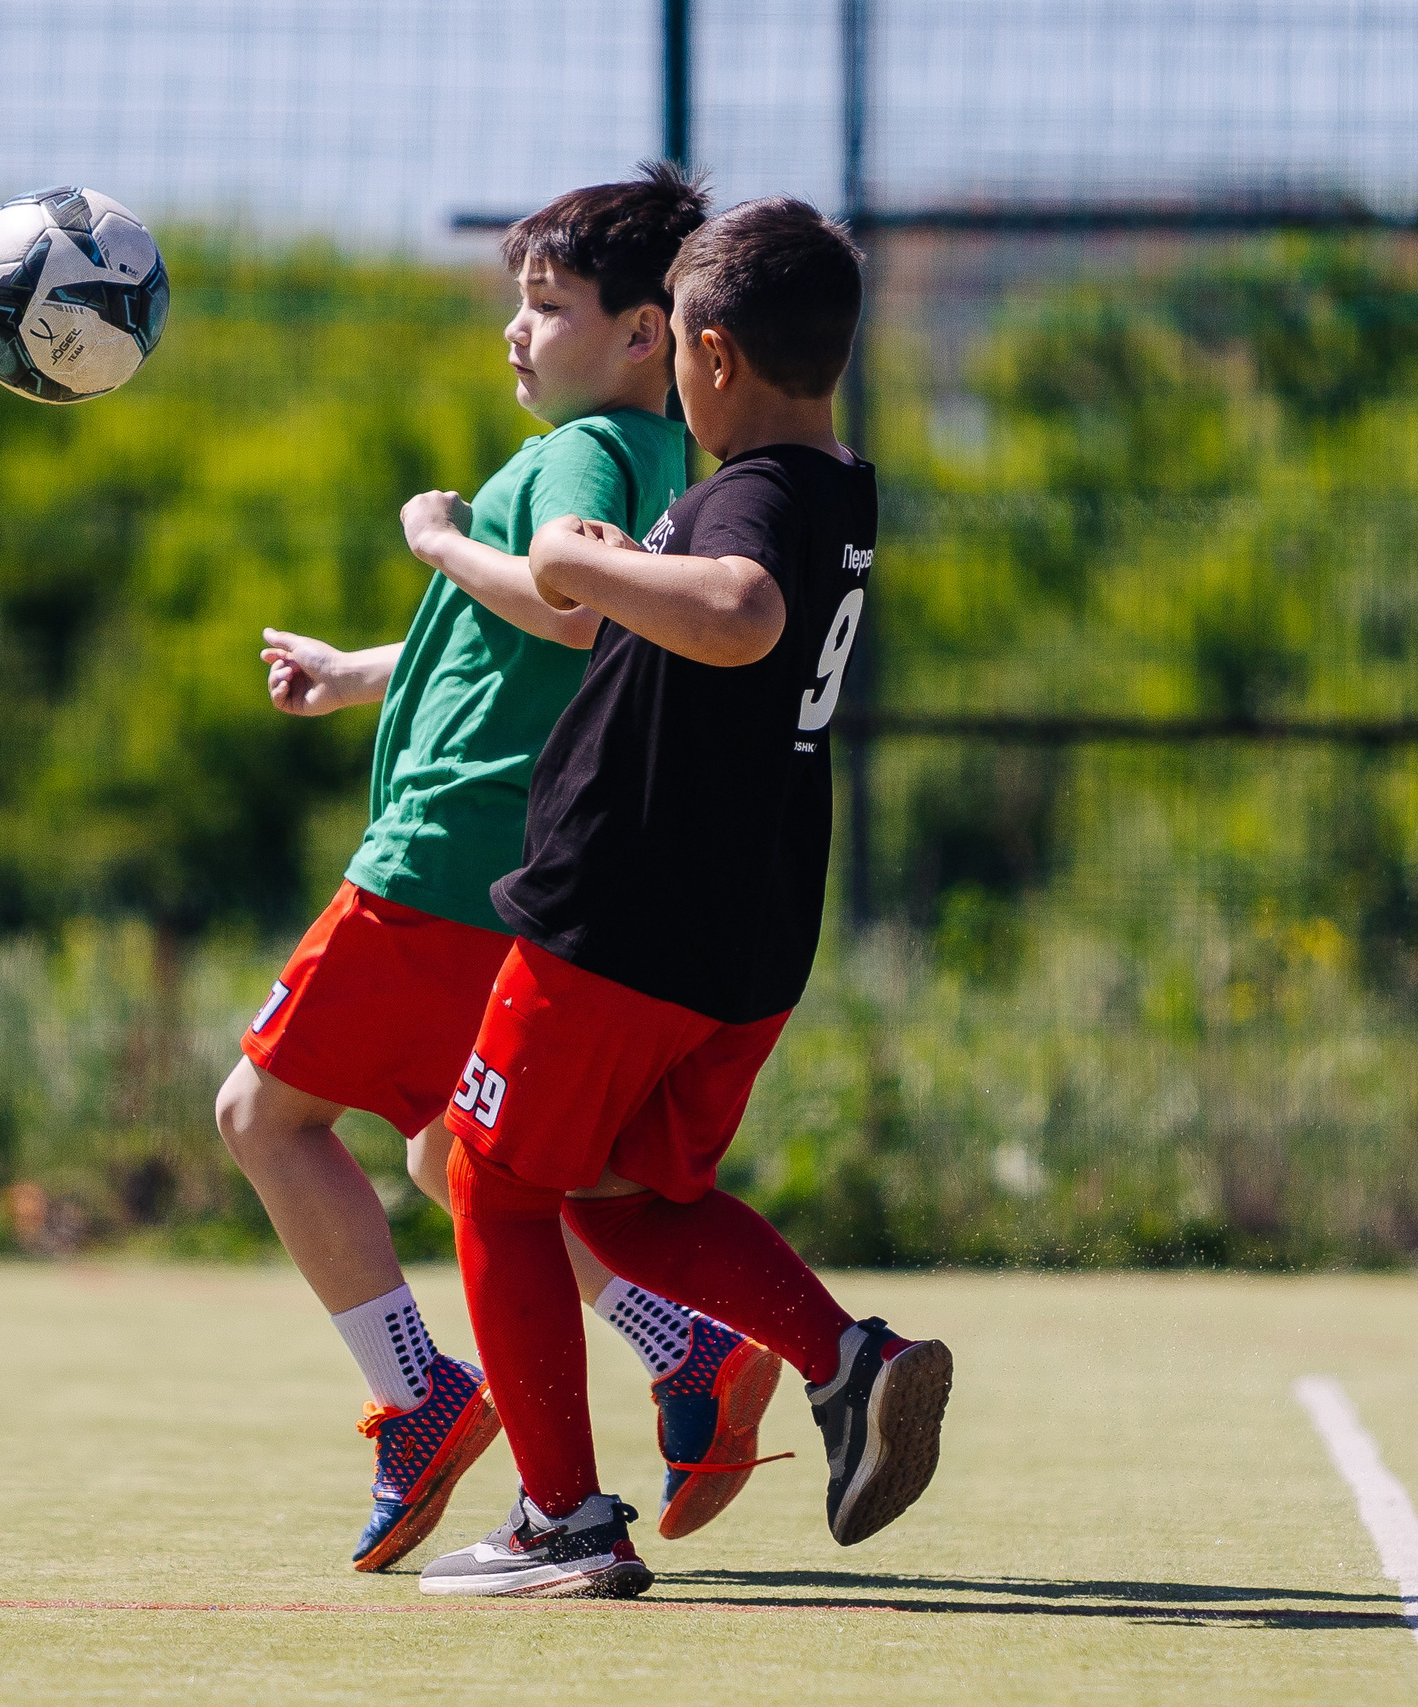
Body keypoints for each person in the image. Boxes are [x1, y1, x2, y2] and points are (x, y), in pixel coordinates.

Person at [217, 164, 786, 1575]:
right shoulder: (665, 468)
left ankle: (419, 1394)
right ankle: (690, 1343)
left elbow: (558, 605)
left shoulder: (591, 452)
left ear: (648, 333)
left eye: (547, 307)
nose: (516, 334)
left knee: (261, 1118)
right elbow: (509, 655)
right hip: (528, 876)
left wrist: (437, 537)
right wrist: (360, 673)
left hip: (441, 865)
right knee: (458, 1160)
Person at [417, 197, 955, 1600]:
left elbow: (740, 615)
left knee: (492, 1185)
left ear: (709, 357)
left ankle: (560, 1520)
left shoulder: (757, 498)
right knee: (634, 1190)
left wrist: (585, 557)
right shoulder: (838, 485)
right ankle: (851, 1364)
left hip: (622, 918)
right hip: (743, 936)